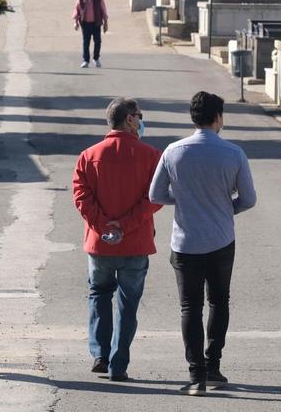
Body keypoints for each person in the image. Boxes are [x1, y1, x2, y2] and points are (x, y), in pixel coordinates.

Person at [149, 91, 257, 396]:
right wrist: (226, 208)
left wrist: (183, 200)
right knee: (219, 302)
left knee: (190, 306)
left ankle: (195, 375)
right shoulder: (233, 153)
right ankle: (213, 366)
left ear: (193, 118)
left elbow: (155, 195)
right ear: (218, 118)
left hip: (185, 241)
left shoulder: (173, 151)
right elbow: (248, 199)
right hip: (221, 238)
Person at [72, 97, 162, 382]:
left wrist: (103, 226)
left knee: (99, 293)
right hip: (135, 243)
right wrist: (124, 226)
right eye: (140, 115)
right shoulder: (150, 156)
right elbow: (154, 198)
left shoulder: (89, 155)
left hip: (99, 243)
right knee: (128, 302)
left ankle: (100, 353)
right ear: (130, 119)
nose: (142, 120)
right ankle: (118, 363)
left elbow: (81, 196)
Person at [73, 0, 109, 68]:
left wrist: (105, 23)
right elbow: (77, 10)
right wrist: (75, 22)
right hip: (85, 23)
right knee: (86, 42)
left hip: (96, 23)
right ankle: (86, 60)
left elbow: (104, 10)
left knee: (97, 41)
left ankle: (96, 59)